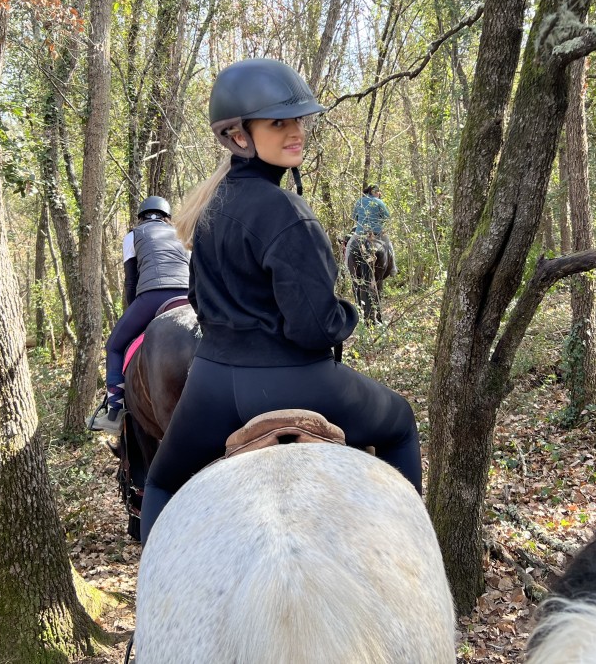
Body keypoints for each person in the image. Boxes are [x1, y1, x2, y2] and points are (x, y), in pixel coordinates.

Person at [139, 57, 422, 542]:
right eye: (277, 123)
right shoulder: (290, 215)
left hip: (212, 384)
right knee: (400, 424)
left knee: (161, 483)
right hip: (293, 379)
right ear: (238, 135)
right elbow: (313, 327)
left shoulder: (209, 209)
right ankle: (411, 550)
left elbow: (198, 300)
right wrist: (346, 315)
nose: (296, 131)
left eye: (298, 120)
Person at [95, 195, 191, 435]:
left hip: (152, 296)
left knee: (114, 346)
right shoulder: (182, 234)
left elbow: (131, 281)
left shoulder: (133, 235)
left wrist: (133, 310)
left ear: (141, 216)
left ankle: (114, 410)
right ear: (167, 217)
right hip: (190, 296)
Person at [347, 183, 396, 276]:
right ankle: (393, 268)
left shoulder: (359, 201)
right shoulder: (379, 202)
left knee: (349, 245)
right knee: (389, 244)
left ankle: (347, 268)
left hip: (360, 232)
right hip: (377, 232)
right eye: (377, 192)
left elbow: (354, 217)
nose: (379, 193)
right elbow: (387, 217)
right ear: (373, 192)